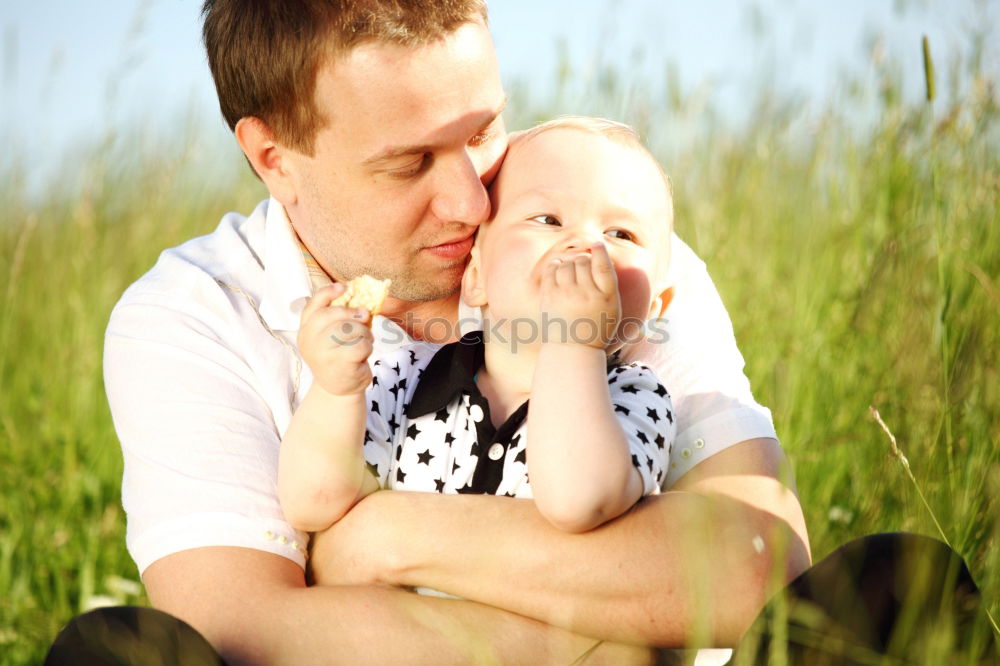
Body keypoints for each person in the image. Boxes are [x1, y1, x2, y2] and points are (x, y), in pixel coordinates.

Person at [45, 1, 996, 664]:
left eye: (483, 130)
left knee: (899, 592)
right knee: (118, 657)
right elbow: (240, 633)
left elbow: (756, 561)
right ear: (273, 158)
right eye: (410, 161)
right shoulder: (193, 314)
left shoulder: (612, 257)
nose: (468, 197)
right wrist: (616, 642)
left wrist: (384, 537)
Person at [279, 117, 677, 540]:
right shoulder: (406, 379)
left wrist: (573, 343)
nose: (585, 245)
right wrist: (335, 390)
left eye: (621, 233)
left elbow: (577, 502)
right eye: (548, 220)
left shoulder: (635, 397)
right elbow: (313, 504)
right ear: (477, 274)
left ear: (652, 308)